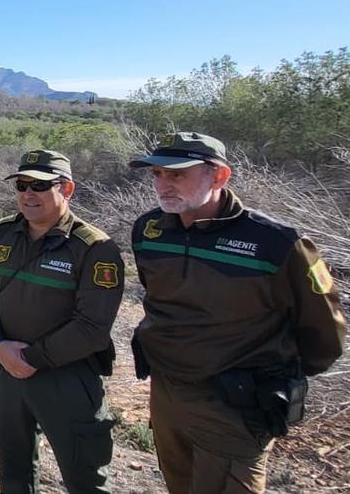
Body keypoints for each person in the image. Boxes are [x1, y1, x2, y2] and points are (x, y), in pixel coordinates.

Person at [128, 132, 345, 493]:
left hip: (233, 404)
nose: (163, 184)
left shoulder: (275, 243)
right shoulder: (149, 230)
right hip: (166, 392)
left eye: (177, 174)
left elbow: (325, 332)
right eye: (156, 174)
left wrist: (271, 378)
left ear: (219, 176)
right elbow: (159, 299)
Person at [0, 150, 124, 494]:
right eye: (22, 184)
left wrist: (30, 358)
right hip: (6, 371)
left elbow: (92, 327)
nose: (28, 193)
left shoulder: (94, 248)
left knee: (85, 479)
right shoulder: (3, 236)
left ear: (67, 189)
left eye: (40, 185)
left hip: (66, 377)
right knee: (14, 473)